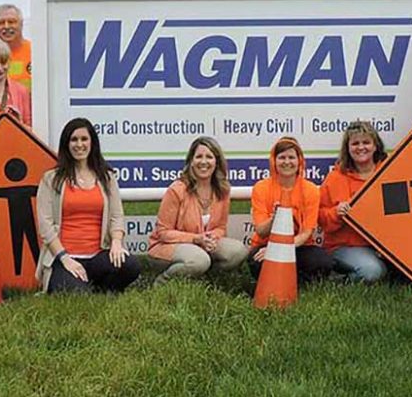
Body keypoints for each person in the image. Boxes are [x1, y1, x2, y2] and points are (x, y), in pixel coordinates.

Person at [35, 118, 141, 293]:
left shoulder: (107, 177)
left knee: (131, 266)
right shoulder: (51, 179)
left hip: (98, 255)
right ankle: (85, 286)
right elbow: (45, 226)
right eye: (74, 140)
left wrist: (116, 242)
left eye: (84, 139)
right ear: (66, 144)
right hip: (65, 257)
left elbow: (117, 216)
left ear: (92, 142)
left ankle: (102, 287)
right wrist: (64, 258)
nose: (79, 145)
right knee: (78, 295)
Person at [148, 136, 248, 284]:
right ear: (191, 161)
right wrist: (196, 239)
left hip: (203, 244)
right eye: (199, 156)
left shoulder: (223, 190)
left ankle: (203, 280)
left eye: (209, 157)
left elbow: (220, 227)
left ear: (217, 162)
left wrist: (211, 238)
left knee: (238, 251)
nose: (204, 162)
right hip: (168, 246)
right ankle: (162, 283)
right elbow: (163, 233)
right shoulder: (177, 189)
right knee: (200, 260)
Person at [248, 136, 333, 283]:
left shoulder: (311, 190)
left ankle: (290, 282)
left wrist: (282, 248)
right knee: (258, 263)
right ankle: (285, 282)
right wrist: (275, 218)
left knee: (323, 263)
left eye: (291, 157)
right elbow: (261, 232)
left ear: (299, 160)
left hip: (299, 245)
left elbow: (307, 233)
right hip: (266, 244)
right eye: (282, 157)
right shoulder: (260, 188)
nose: (287, 162)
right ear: (274, 161)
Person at [319, 121, 392, 283]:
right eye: (355, 143)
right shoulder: (335, 178)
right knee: (372, 272)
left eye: (366, 142)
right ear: (348, 148)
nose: (361, 147)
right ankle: (336, 280)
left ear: (375, 146)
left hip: (384, 244)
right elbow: (320, 217)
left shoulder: (389, 173)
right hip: (345, 246)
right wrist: (336, 213)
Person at [0, 3, 32, 88]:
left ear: (21, 24)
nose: (6, 26)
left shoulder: (35, 53)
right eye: (1, 23)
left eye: (11, 22)